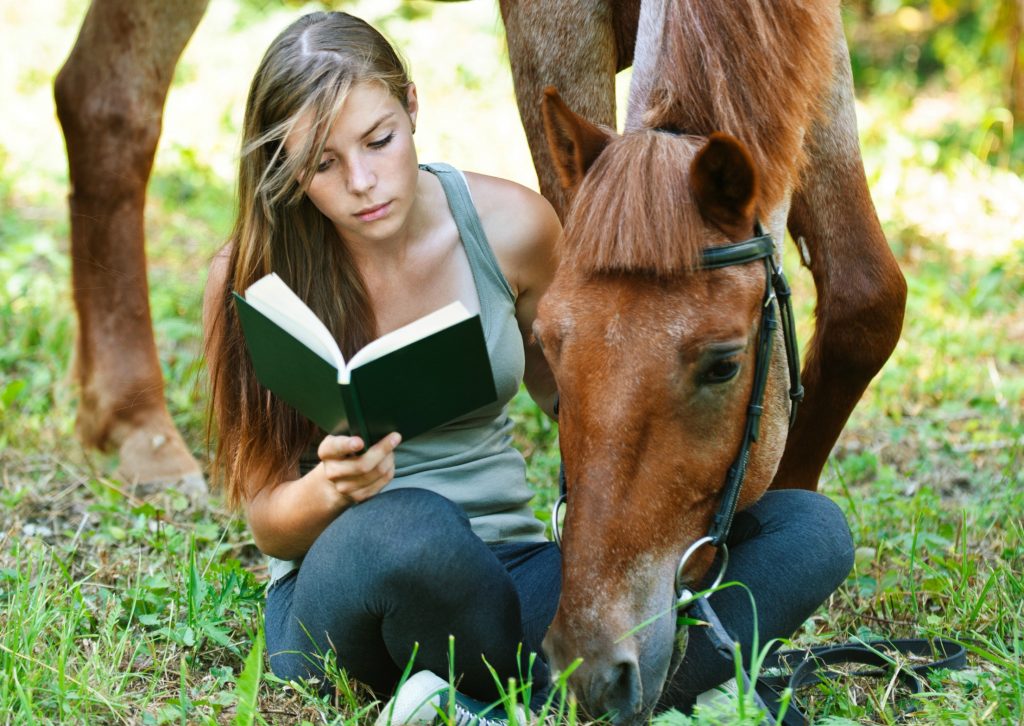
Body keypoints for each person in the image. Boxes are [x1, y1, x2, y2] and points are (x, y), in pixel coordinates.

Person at [203, 10, 854, 725]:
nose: (362, 181)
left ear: (412, 106)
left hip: (512, 572)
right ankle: (663, 695)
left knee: (808, 531)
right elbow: (268, 522)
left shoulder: (509, 225)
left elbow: (577, 397)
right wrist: (332, 489)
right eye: (321, 164)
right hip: (352, 583)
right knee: (413, 530)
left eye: (378, 140)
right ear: (284, 172)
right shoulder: (256, 276)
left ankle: (480, 707)